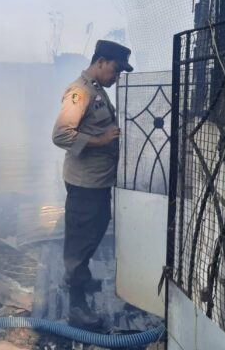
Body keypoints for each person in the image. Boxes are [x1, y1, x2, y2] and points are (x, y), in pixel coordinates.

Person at [52, 40, 133, 329]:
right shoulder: (80, 92)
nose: (117, 76)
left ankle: (79, 278)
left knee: (97, 226)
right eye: (115, 69)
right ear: (101, 62)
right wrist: (99, 141)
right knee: (79, 241)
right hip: (85, 183)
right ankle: (76, 306)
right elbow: (61, 135)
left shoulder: (97, 91)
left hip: (98, 182)